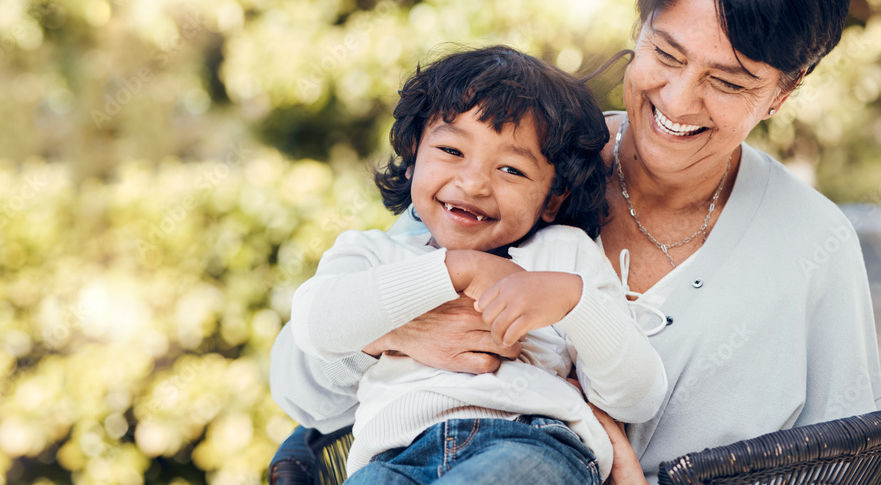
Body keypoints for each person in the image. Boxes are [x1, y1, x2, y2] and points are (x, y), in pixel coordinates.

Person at [271, 0, 881, 483]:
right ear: (638, 28)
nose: (677, 101)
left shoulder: (812, 242)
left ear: (784, 91)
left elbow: (858, 460)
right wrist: (396, 331)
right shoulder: (523, 164)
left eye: (727, 81)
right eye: (664, 54)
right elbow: (306, 388)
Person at [285, 45, 668, 484]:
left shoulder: (565, 257)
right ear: (413, 156)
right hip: (392, 459)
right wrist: (457, 269)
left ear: (553, 198)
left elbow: (638, 398)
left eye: (511, 170)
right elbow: (316, 324)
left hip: (529, 443)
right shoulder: (372, 255)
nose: (473, 183)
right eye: (451, 150)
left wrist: (573, 302)